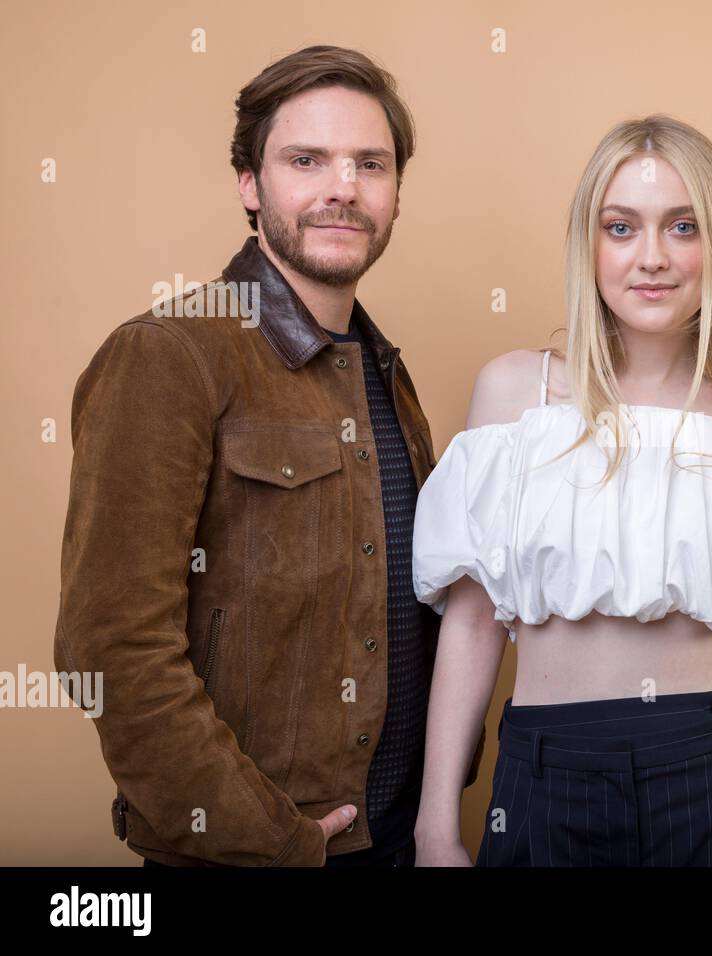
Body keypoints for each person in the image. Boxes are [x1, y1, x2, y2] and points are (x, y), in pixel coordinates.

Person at [53, 45, 482, 867]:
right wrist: (264, 839)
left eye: (370, 163)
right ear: (249, 185)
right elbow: (109, 649)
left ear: (396, 192)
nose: (343, 188)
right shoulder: (169, 355)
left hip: (395, 841)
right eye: (306, 160)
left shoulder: (384, 374)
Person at [411, 115, 712, 867]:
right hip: (547, 770)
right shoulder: (511, 398)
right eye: (621, 227)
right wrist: (437, 827)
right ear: (586, 246)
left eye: (683, 226)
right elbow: (471, 624)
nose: (652, 258)